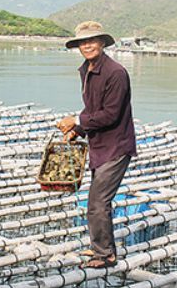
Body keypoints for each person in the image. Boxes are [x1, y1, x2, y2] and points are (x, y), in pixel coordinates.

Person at [57, 21, 137, 269]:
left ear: (102, 43)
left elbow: (111, 114)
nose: (87, 45)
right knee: (97, 201)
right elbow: (94, 110)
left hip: (116, 145)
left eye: (92, 41)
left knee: (98, 202)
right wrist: (78, 130)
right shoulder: (87, 70)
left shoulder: (116, 73)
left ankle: (105, 255)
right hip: (99, 145)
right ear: (78, 46)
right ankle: (99, 248)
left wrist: (76, 120)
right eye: (83, 42)